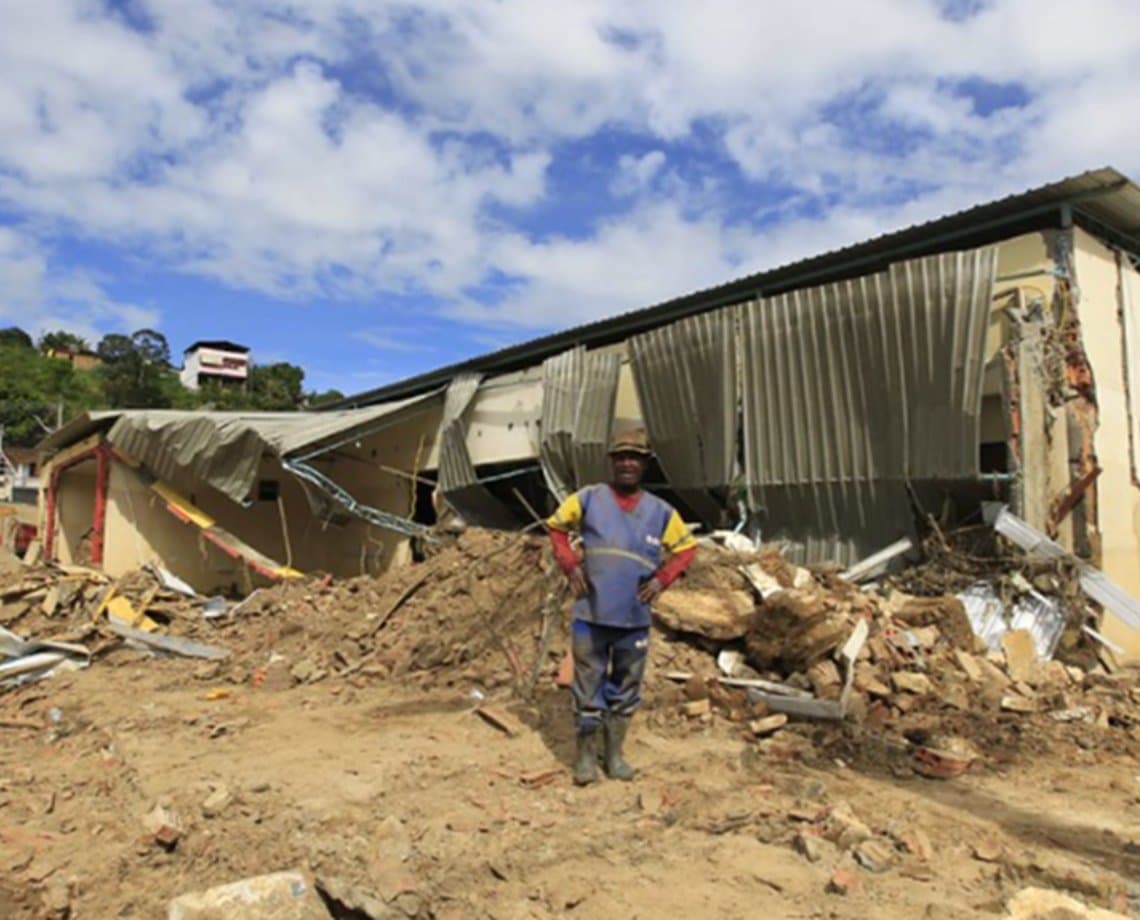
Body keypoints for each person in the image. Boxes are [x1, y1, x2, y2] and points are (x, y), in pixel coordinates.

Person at [546, 428, 697, 785]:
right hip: (591, 613)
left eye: (635, 457)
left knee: (627, 686)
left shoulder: (660, 512)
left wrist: (662, 579)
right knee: (587, 684)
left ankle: (613, 754)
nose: (627, 463)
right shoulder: (588, 498)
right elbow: (555, 528)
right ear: (612, 462)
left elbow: (687, 548)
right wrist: (570, 565)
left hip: (633, 617)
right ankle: (584, 757)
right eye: (621, 457)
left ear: (645, 464)